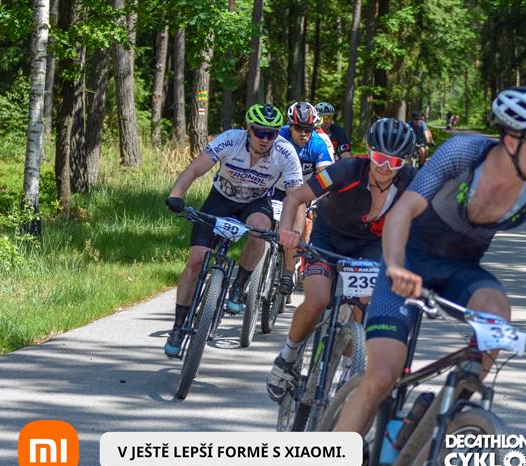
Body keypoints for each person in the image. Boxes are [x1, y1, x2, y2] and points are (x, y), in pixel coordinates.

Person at [331, 86, 526, 437]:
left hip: (460, 269)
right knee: (382, 377)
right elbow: (403, 211)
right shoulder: (464, 153)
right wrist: (394, 265)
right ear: (511, 140)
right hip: (408, 262)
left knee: (498, 313)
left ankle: (432, 427)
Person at [266, 118, 417, 403]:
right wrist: (287, 230)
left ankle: (350, 368)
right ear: (369, 152)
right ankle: (287, 358)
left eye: (395, 162)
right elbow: (295, 197)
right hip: (329, 237)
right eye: (380, 158)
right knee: (317, 300)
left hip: (370, 245)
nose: (385, 167)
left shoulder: (412, 182)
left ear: (405, 162)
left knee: (363, 304)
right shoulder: (347, 169)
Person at [163, 104, 303, 357]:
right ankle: (178, 325)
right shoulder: (230, 140)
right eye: (259, 132)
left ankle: (239, 285)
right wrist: (176, 194)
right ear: (248, 129)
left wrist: (290, 232)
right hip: (220, 200)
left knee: (261, 229)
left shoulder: (285, 152)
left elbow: (296, 198)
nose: (265, 139)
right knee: (196, 260)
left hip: (255, 203)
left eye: (271, 134)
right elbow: (195, 169)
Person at [272, 102, 335, 296]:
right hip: (275, 187)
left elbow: (326, 177)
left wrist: (319, 202)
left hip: (302, 192)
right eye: (299, 128)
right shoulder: (278, 137)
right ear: (289, 126)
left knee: (296, 229)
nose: (303, 134)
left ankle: (288, 272)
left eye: (308, 129)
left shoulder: (318, 144)